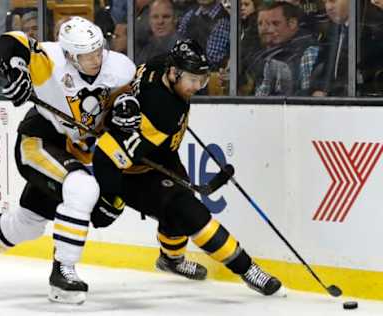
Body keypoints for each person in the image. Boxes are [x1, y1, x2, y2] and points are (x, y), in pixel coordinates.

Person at [0, 16, 136, 305]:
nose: (95, 59)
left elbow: (127, 95)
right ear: (68, 54)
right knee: (82, 187)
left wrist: (127, 105)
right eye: (86, 54)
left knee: (28, 223)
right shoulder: (50, 59)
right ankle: (63, 275)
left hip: (73, 149)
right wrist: (16, 72)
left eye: (98, 50)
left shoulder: (119, 66)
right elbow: (12, 41)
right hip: (38, 141)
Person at [90, 39, 284, 296]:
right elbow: (106, 155)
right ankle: (247, 270)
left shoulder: (160, 64)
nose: (197, 87)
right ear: (174, 73)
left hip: (161, 154)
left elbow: (132, 89)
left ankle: (170, 260)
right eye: (192, 80)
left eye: (202, 80)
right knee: (190, 213)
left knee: (178, 209)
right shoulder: (162, 112)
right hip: (133, 174)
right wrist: (110, 197)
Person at [249, 2, 319, 96]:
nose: (264, 29)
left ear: (292, 23)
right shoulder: (260, 54)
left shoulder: (308, 52)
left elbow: (307, 99)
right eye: (260, 24)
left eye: (275, 23)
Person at [310, 0, 349, 96]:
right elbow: (320, 70)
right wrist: (318, 89)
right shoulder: (330, 31)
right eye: (325, 2)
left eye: (332, 1)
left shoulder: (371, 29)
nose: (328, 7)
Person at [136, 0, 182, 65]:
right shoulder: (146, 50)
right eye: (155, 17)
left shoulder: (183, 48)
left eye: (166, 17)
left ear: (175, 19)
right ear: (149, 20)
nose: (160, 21)